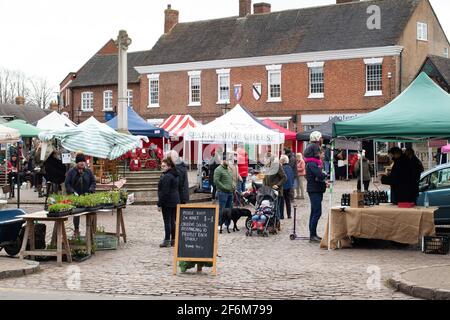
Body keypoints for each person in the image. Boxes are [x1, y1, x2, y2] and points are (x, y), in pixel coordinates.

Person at [65, 153, 96, 238]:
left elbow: (93, 182)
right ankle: (76, 230)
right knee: (76, 214)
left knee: (89, 213)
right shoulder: (71, 172)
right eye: (80, 161)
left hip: (87, 197)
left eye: (83, 161)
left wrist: (91, 189)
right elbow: (67, 184)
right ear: (76, 162)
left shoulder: (88, 171)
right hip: (76, 197)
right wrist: (72, 191)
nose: (82, 163)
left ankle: (89, 231)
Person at [304, 131, 327, 242]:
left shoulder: (314, 162)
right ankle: (312, 235)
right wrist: (325, 175)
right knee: (316, 212)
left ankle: (313, 234)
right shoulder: (312, 163)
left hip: (316, 189)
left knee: (315, 211)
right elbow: (318, 174)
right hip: (314, 190)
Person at [157, 157, 180, 248]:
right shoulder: (175, 174)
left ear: (169, 166)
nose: (162, 167)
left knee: (167, 221)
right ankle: (173, 240)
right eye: (161, 166)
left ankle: (167, 240)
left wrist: (159, 203)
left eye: (164, 166)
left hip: (168, 201)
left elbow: (164, 192)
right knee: (172, 221)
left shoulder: (167, 176)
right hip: (175, 200)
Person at [263, 155, 287, 222]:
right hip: (268, 191)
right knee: (269, 208)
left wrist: (277, 185)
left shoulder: (277, 166)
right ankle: (270, 223)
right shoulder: (267, 166)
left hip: (276, 191)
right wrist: (264, 186)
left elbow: (284, 177)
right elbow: (265, 178)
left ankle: (277, 223)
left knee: (276, 208)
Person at [214, 155, 233, 228]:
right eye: (227, 160)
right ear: (223, 161)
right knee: (222, 209)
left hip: (230, 192)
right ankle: (219, 223)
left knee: (229, 208)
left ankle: (227, 224)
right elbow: (216, 181)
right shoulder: (218, 170)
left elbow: (231, 179)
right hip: (222, 192)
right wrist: (224, 187)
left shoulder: (228, 169)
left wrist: (232, 186)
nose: (229, 162)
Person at [280, 155, 294, 219]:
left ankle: (281, 215)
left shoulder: (282, 167)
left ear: (282, 161)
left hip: (283, 186)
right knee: (288, 201)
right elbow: (292, 176)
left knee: (282, 201)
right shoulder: (290, 167)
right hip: (289, 186)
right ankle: (289, 215)